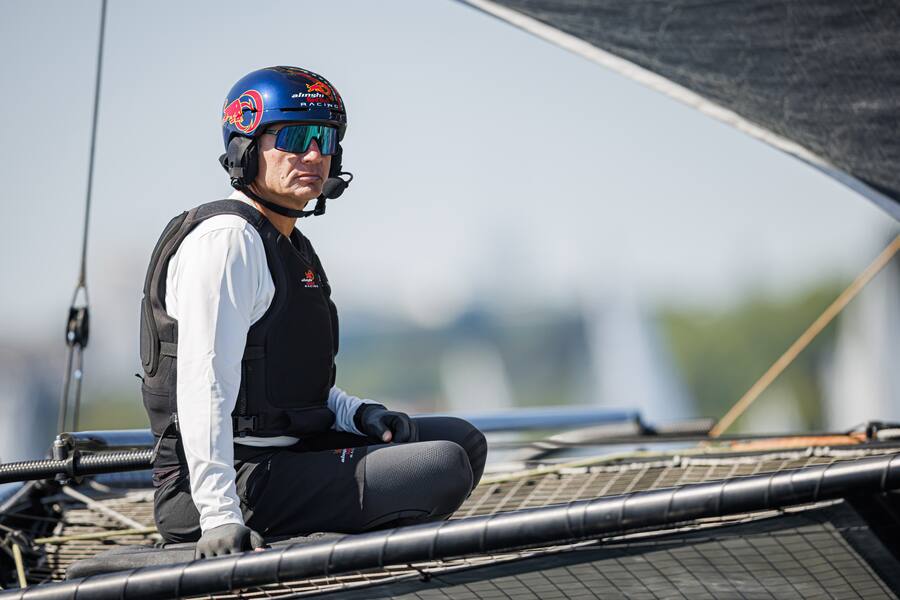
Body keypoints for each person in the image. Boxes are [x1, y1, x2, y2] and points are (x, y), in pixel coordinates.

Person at [138, 66, 487, 559]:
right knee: (441, 465)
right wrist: (218, 517)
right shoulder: (228, 242)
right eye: (296, 137)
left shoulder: (288, 243)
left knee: (462, 441)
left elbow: (287, 377)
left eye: (325, 139)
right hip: (225, 487)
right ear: (246, 147)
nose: (315, 155)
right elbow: (204, 383)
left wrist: (357, 413)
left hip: (286, 459)